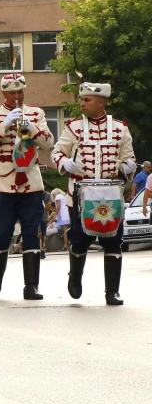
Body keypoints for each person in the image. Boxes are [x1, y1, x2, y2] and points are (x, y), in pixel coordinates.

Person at [52, 80, 135, 305]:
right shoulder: (74, 127)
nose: (82, 104)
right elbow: (57, 152)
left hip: (110, 193)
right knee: (79, 240)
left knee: (113, 241)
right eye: (81, 99)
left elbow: (129, 158)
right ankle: (75, 276)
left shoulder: (120, 128)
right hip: (80, 194)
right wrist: (65, 163)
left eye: (87, 100)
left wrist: (128, 167)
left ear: (101, 102)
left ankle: (112, 291)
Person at [0, 73, 54, 300]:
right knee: (3, 233)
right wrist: (5, 123)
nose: (17, 97)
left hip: (29, 182)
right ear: (4, 93)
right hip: (1, 182)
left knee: (31, 232)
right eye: (12, 93)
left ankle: (31, 286)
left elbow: (48, 142)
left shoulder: (36, 113)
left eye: (20, 92)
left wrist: (33, 128)